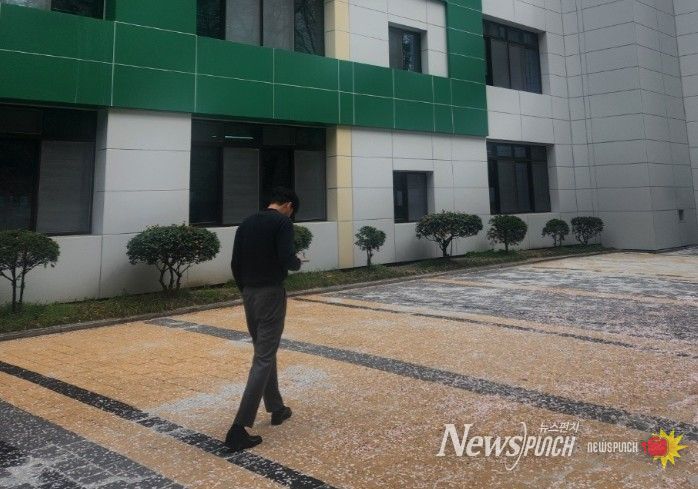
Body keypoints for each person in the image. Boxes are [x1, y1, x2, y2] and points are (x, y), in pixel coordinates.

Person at [225, 187, 304, 451]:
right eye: (292, 212)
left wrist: (245, 289)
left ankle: (277, 408)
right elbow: (286, 258)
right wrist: (297, 263)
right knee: (263, 357)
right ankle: (238, 428)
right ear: (289, 206)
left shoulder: (246, 222)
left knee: (264, 352)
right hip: (270, 293)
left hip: (249, 293)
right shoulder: (282, 223)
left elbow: (235, 263)